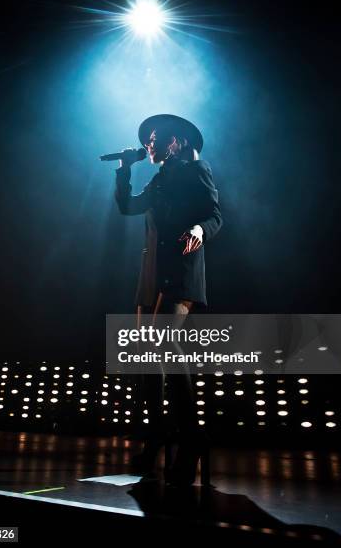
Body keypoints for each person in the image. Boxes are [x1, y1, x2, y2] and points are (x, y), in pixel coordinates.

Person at [115, 114, 222, 485]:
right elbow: (126, 207)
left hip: (180, 269)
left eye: (156, 139)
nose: (150, 145)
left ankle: (191, 437)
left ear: (175, 142)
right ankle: (159, 434)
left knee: (164, 347)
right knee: (149, 359)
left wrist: (199, 229)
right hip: (152, 273)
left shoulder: (196, 170)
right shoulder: (157, 180)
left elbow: (214, 214)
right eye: (147, 141)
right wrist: (124, 170)